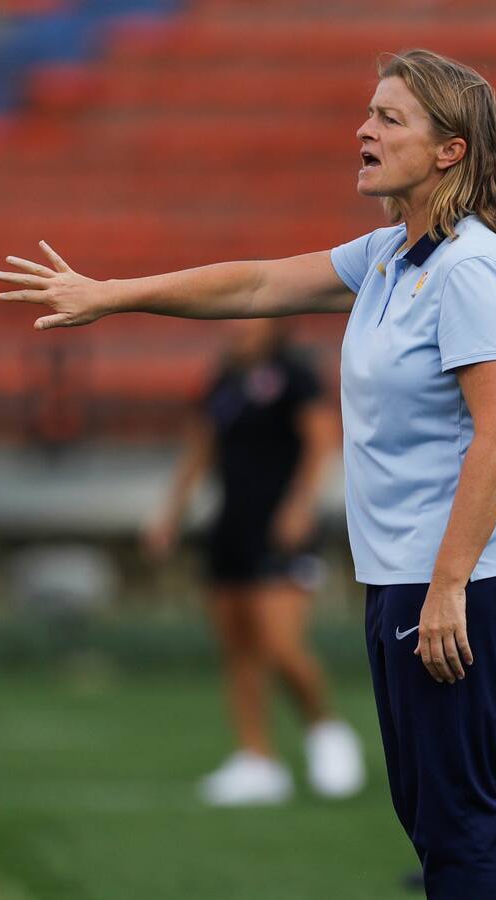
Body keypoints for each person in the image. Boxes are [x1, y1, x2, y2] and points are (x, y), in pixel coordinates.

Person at [0, 49, 496, 898]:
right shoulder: (395, 255)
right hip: (407, 570)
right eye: (368, 112)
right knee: (432, 816)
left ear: (452, 150)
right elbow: (254, 284)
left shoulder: (469, 267)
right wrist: (112, 293)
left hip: (456, 574)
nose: (364, 129)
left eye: (390, 118)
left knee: (457, 820)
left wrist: (448, 583)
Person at [143, 319, 365, 806]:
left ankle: (326, 730)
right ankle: (256, 758)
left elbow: (321, 440)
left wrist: (300, 505)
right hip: (231, 527)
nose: (237, 327)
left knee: (281, 643)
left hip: (281, 529)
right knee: (238, 646)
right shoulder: (224, 382)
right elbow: (200, 453)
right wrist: (170, 517)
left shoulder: (294, 375)